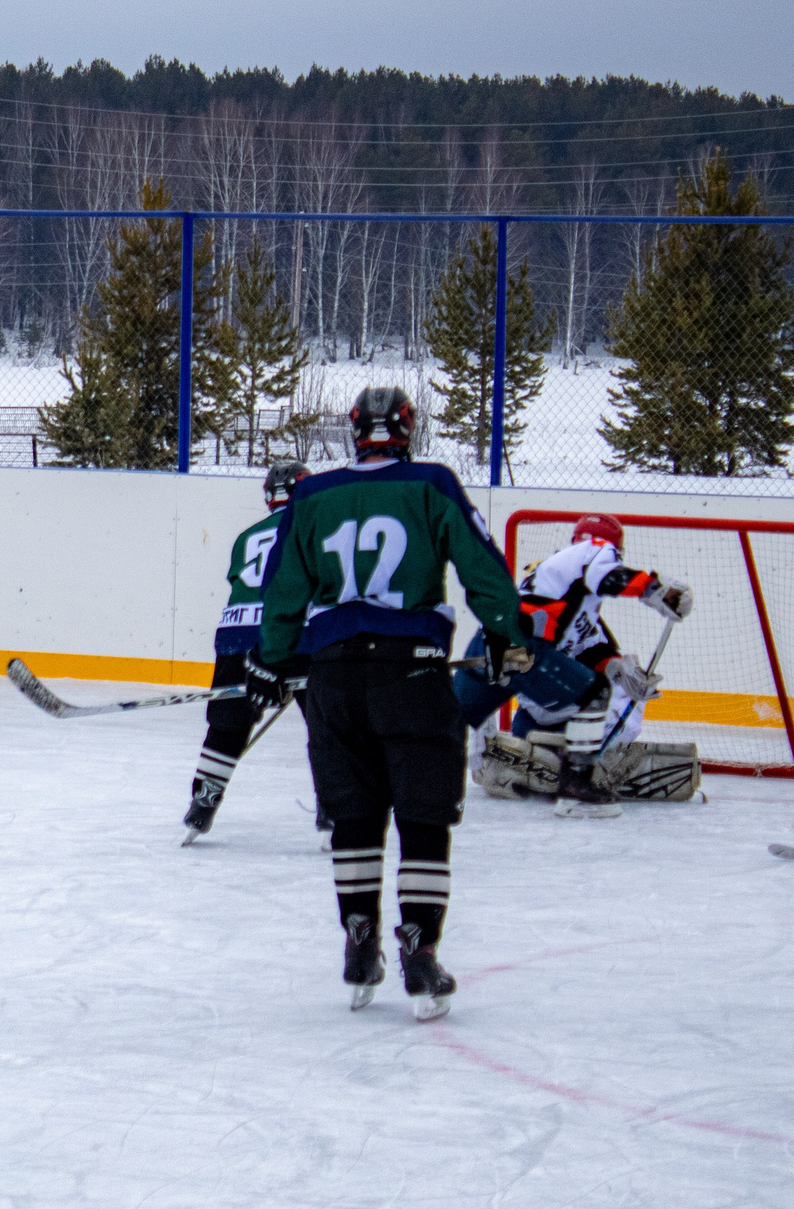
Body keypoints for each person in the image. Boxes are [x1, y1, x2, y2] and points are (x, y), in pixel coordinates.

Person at [241, 386, 533, 1019]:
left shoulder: (312, 495)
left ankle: (359, 943)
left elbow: (284, 588)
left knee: (353, 815)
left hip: (334, 678)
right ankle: (418, 952)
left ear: (355, 431)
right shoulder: (431, 483)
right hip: (412, 674)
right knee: (423, 816)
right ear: (406, 430)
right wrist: (507, 635)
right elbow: (482, 568)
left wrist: (271, 657)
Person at [456, 512, 694, 817]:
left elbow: (591, 647)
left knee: (449, 717)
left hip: (491, 645)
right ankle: (576, 789)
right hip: (523, 651)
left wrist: (620, 671)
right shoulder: (594, 550)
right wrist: (657, 590)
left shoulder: (567, 588)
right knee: (596, 693)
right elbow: (608, 578)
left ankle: (430, 774)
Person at [183, 457, 310, 843]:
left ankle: (204, 800)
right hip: (296, 632)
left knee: (228, 722)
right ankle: (335, 808)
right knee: (331, 722)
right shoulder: (315, 526)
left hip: (236, 634)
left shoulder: (246, 536)